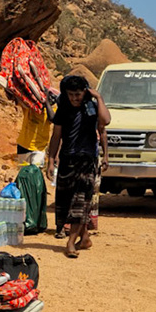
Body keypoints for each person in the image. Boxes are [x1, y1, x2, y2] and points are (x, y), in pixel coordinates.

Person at [44, 73, 110, 259]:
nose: (74, 98)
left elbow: (105, 123)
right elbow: (56, 136)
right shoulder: (63, 109)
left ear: (85, 93)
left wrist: (98, 97)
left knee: (80, 202)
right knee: (66, 201)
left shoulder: (92, 107)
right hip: (67, 160)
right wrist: (51, 160)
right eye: (71, 95)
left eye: (78, 95)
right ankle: (85, 238)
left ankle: (71, 242)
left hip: (87, 160)